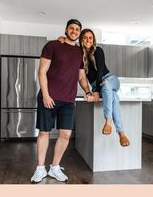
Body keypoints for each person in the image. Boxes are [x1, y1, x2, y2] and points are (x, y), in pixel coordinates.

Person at [31, 19, 91, 183]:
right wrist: (45, 95)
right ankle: (40, 169)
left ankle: (55, 168)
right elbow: (42, 72)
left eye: (77, 29)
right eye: (71, 28)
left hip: (68, 100)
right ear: (66, 30)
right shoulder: (52, 45)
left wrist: (88, 91)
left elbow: (81, 76)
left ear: (79, 32)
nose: (74, 31)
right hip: (49, 97)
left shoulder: (79, 52)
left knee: (65, 135)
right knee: (44, 132)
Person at [59, 29, 130, 146]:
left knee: (106, 84)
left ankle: (108, 121)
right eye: (85, 37)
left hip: (110, 79)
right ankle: (121, 133)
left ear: (93, 39)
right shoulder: (78, 54)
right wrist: (61, 39)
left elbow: (100, 71)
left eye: (90, 37)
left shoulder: (98, 51)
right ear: (81, 39)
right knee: (113, 97)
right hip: (98, 85)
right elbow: (66, 46)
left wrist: (96, 91)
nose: (88, 40)